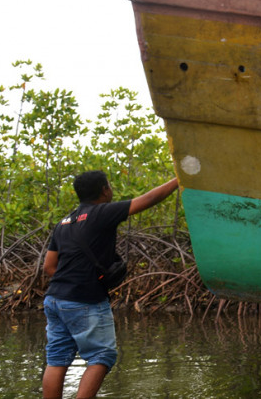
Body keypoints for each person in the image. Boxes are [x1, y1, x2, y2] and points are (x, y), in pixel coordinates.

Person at [41, 171, 180, 399]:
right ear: (105, 190)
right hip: (84, 300)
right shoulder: (101, 212)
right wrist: (178, 180)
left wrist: (73, 281)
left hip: (54, 298)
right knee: (101, 356)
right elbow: (147, 200)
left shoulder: (64, 222)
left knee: (57, 359)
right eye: (109, 186)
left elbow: (49, 266)